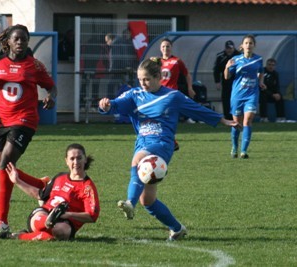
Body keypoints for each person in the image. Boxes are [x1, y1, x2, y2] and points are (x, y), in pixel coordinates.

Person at [98, 57, 240, 241]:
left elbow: (197, 109)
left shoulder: (173, 96)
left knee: (138, 160)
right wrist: (105, 105)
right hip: (142, 142)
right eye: (140, 80)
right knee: (147, 200)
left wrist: (222, 120)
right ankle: (177, 228)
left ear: (158, 77)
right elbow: (115, 105)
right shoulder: (135, 95)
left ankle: (129, 203)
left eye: (147, 79)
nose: (143, 83)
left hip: (163, 143)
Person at [0, 24, 58, 231]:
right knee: (4, 167)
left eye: (24, 39)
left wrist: (51, 96)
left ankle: (2, 221)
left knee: (5, 162)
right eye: (17, 39)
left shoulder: (34, 66)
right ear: (9, 42)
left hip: (25, 120)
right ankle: (41, 185)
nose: (21, 42)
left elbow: (51, 85)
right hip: (2, 121)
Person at [0, 143, 100, 241]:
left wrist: (68, 215)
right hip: (45, 213)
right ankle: (47, 222)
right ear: (66, 161)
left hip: (66, 222)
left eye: (79, 158)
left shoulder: (87, 187)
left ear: (85, 160)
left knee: (62, 232)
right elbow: (40, 195)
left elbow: (92, 216)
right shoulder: (60, 177)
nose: (76, 162)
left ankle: (19, 236)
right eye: (72, 159)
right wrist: (17, 181)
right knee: (38, 218)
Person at [224, 34, 266, 159]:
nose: (248, 45)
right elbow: (227, 77)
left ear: (254, 46)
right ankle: (234, 148)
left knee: (248, 121)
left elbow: (261, 72)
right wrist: (227, 67)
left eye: (251, 43)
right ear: (242, 46)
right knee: (236, 123)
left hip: (251, 95)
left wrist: (260, 82)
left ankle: (243, 151)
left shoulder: (258, 59)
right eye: (246, 43)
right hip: (237, 95)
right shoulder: (236, 60)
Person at [159, 38, 197, 150]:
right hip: (159, 94)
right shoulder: (156, 62)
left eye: (168, 46)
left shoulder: (176, 61)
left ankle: (170, 140)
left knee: (168, 117)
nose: (165, 48)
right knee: (161, 117)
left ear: (171, 48)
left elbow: (187, 74)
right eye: (163, 46)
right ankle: (171, 140)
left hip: (171, 94)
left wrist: (190, 88)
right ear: (160, 48)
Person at [213, 40, 241, 120]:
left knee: (237, 97)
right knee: (226, 98)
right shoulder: (221, 56)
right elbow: (216, 70)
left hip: (237, 80)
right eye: (228, 48)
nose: (229, 50)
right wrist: (217, 82)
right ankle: (227, 116)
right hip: (226, 80)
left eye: (231, 48)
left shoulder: (239, 55)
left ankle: (237, 114)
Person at [259, 58, 286, 123]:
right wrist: (272, 94)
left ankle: (280, 118)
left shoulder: (275, 74)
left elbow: (277, 86)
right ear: (266, 65)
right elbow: (261, 87)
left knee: (280, 97)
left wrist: (277, 93)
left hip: (272, 94)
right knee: (263, 96)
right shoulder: (262, 72)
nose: (271, 66)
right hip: (263, 93)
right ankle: (263, 118)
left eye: (273, 65)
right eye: (269, 65)